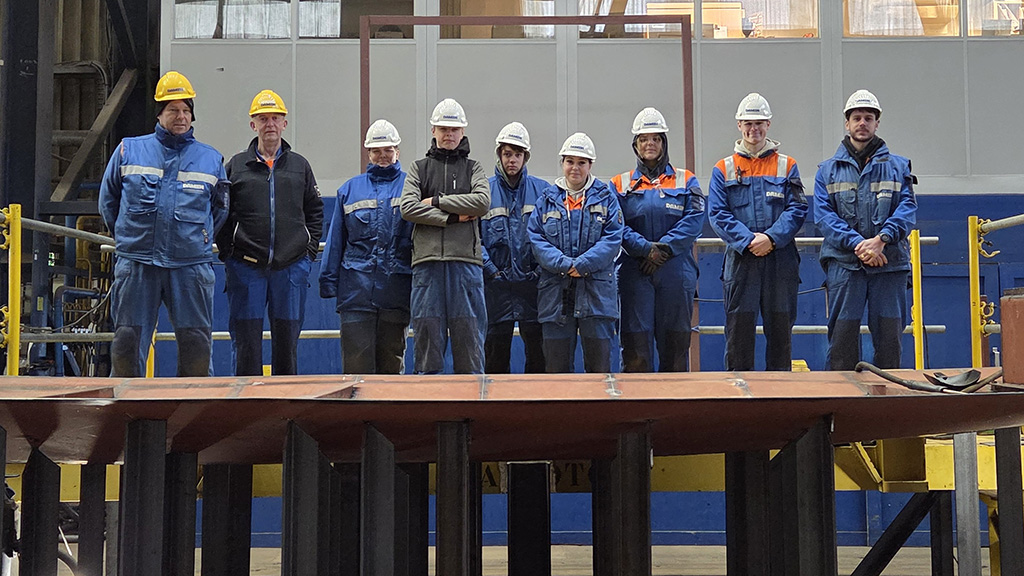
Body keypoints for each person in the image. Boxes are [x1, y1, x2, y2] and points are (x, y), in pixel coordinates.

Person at [99, 70, 228, 377]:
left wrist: (196, 238)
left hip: (190, 266)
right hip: (137, 263)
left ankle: (194, 415)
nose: (180, 116)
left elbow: (220, 211)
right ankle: (128, 414)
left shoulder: (211, 159)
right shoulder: (129, 150)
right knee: (128, 342)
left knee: (196, 344)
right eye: (173, 110)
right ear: (159, 114)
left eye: (185, 110)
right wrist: (132, 237)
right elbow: (108, 201)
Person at [217, 89, 323, 376]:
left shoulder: (300, 166)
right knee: (246, 344)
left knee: (287, 345)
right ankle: (246, 407)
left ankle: (285, 407)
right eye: (263, 119)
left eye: (275, 118)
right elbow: (221, 213)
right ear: (253, 124)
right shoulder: (236, 166)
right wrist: (230, 253)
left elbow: (314, 211)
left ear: (284, 123)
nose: (270, 124)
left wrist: (307, 253)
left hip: (290, 270)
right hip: (246, 269)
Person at [814, 89, 916, 370]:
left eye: (868, 118)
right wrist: (860, 245)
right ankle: (842, 402)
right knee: (842, 339)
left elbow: (907, 210)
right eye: (856, 117)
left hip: (889, 265)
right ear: (847, 123)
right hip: (845, 266)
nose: (862, 123)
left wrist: (882, 240)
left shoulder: (898, 167)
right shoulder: (827, 171)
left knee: (890, 339)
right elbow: (823, 217)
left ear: (877, 123)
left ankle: (887, 403)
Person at [708, 93, 807, 371]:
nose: (754, 130)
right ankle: (740, 401)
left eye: (760, 123)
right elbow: (717, 213)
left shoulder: (787, 165)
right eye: (748, 123)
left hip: (780, 260)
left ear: (769, 124)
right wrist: (748, 240)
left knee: (780, 333)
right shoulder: (723, 168)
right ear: (739, 125)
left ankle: (779, 400)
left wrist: (771, 239)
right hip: (742, 261)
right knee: (739, 333)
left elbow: (798, 209)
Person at [609, 107, 705, 372]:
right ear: (635, 145)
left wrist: (661, 250)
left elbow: (694, 221)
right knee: (635, 347)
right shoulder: (619, 184)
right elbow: (615, 224)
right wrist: (644, 250)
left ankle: (674, 410)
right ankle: (636, 409)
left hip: (676, 272)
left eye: (655, 138)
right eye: (643, 139)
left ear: (664, 142)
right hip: (634, 272)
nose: (649, 144)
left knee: (675, 346)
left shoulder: (687, 180)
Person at [399, 98, 490, 374]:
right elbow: (408, 207)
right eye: (443, 129)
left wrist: (436, 201)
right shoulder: (418, 168)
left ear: (463, 132)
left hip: (465, 265)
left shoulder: (474, 168)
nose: (448, 134)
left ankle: (473, 406)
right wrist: (451, 217)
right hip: (427, 266)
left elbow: (482, 202)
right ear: (433, 131)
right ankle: (428, 404)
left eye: (454, 129)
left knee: (469, 339)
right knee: (427, 338)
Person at [319, 119, 412, 374]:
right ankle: (358, 415)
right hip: (356, 293)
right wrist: (328, 281)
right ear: (368, 153)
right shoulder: (349, 190)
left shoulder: (411, 188)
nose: (382, 156)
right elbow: (335, 240)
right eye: (376, 151)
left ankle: (389, 415)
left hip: (396, 290)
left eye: (388, 150)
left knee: (392, 366)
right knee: (356, 367)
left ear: (397, 152)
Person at [527, 132, 623, 373]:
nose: (575, 168)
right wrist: (563, 264)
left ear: (590, 165)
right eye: (570, 161)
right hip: (556, 298)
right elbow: (536, 237)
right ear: (562, 163)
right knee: (557, 373)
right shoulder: (547, 199)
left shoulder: (606, 198)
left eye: (581, 162)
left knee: (600, 372)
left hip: (596, 295)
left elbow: (612, 238)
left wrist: (582, 265)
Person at [481, 122, 548, 373]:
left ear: (525, 157)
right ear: (499, 155)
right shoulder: (483, 192)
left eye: (518, 155)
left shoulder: (543, 192)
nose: (512, 160)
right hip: (496, 289)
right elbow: (473, 238)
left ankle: (537, 411)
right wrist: (492, 271)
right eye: (507, 154)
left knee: (539, 360)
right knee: (495, 360)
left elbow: (552, 238)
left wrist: (540, 270)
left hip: (534, 289)